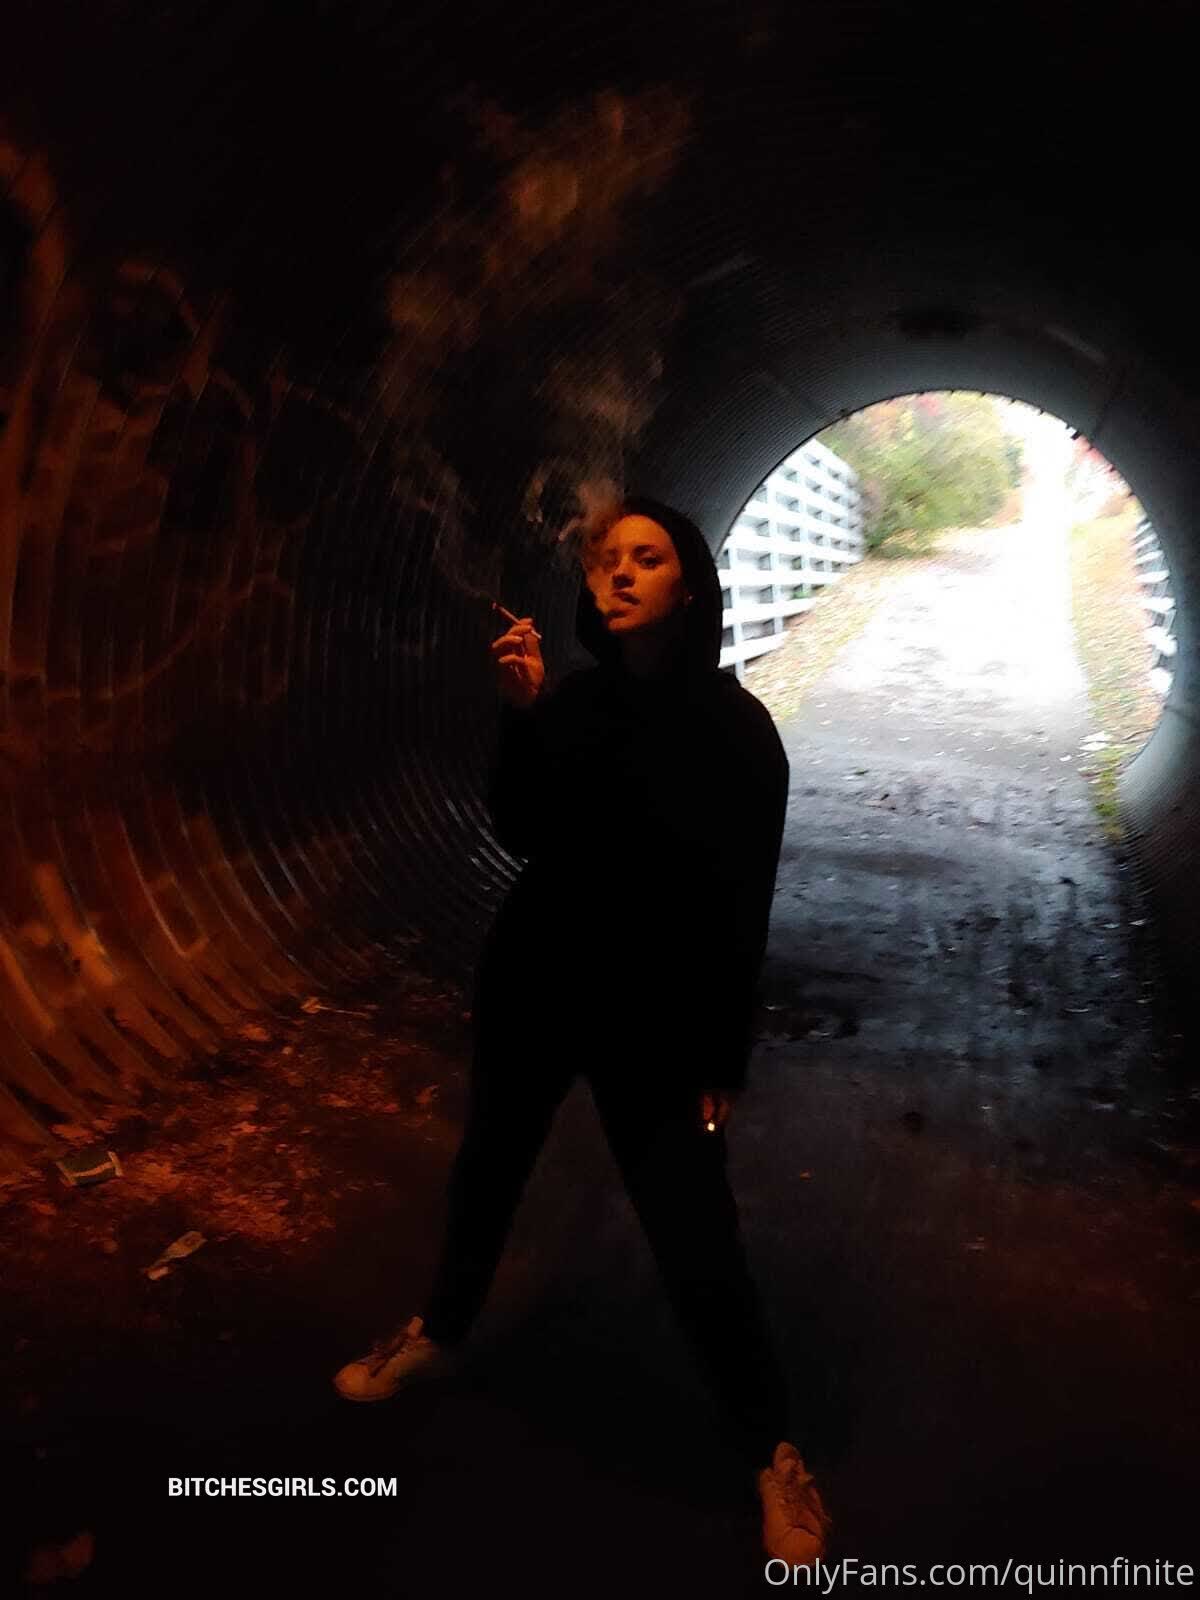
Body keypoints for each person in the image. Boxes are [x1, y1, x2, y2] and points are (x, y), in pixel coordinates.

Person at [332, 496, 831, 1565]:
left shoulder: (739, 733)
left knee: (693, 1228)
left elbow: (741, 903)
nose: (622, 572)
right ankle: (440, 1330)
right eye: (608, 558)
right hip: (537, 981)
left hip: (655, 1013)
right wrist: (520, 714)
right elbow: (521, 831)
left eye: (647, 558)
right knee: (486, 1169)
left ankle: (771, 1448)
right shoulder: (571, 705)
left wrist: (722, 1052)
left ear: (689, 587)